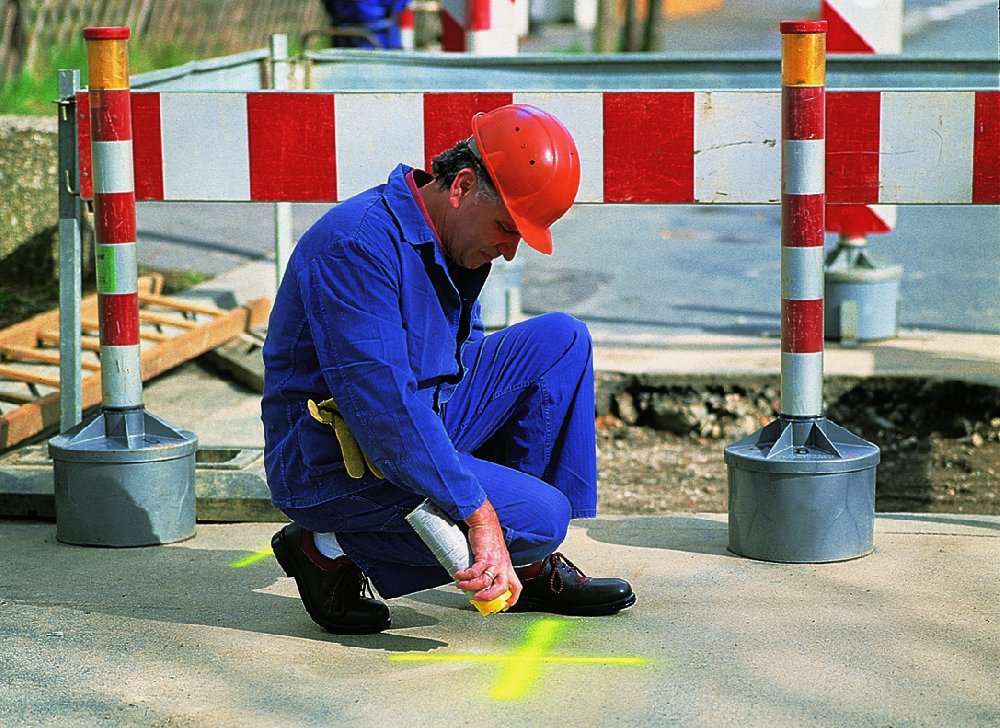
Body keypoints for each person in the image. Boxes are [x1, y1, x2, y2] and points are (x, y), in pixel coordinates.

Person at [261, 104, 636, 635]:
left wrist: (474, 487)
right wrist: (479, 513)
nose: (509, 252)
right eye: (506, 228)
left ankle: (522, 560)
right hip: (335, 463)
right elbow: (384, 412)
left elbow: (459, 356)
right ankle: (322, 546)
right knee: (540, 516)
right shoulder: (356, 247)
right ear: (461, 186)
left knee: (560, 339)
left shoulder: (451, 242)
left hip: (416, 420)